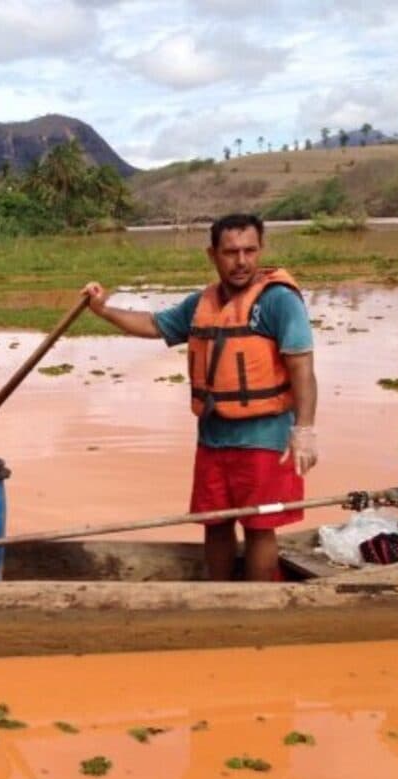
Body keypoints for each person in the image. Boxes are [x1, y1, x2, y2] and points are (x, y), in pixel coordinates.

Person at [82, 212, 317, 581]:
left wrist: (304, 430)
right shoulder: (201, 303)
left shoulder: (279, 301)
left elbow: (302, 367)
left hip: (266, 439)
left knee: (259, 528)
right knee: (215, 524)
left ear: (261, 250)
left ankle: (258, 608)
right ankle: (218, 597)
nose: (241, 261)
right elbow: (153, 324)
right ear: (213, 255)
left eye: (249, 251)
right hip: (213, 438)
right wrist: (103, 310)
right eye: (230, 252)